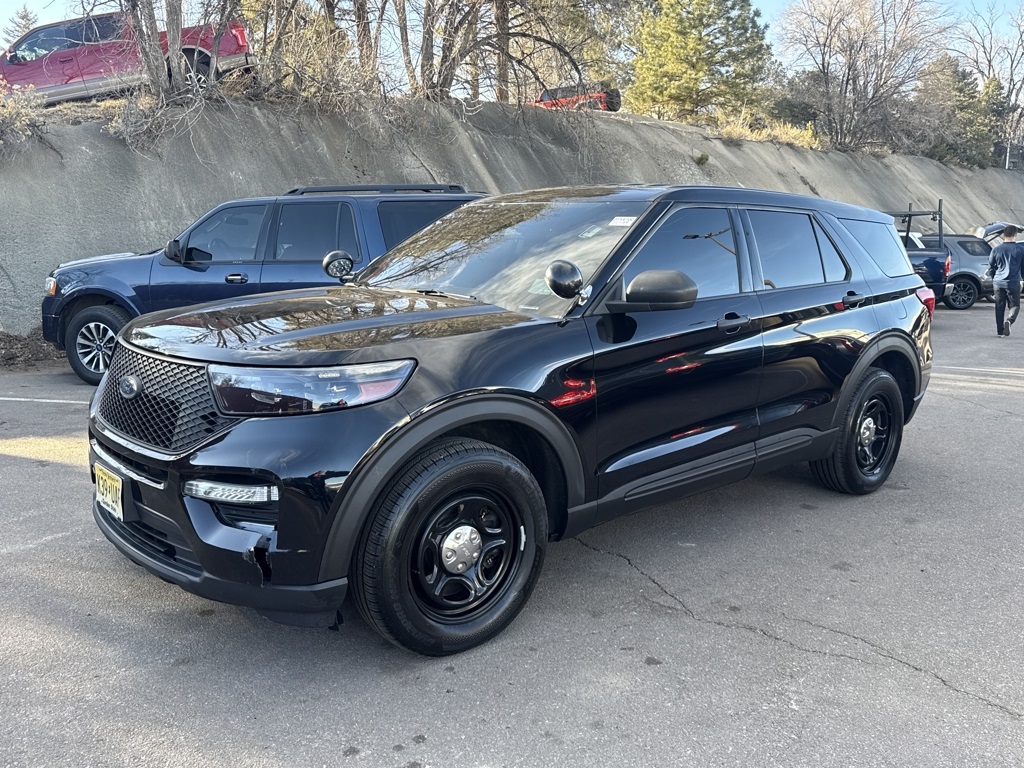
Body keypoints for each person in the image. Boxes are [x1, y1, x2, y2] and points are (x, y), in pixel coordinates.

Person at [986, 224, 1024, 337]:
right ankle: (1009, 320)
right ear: (1015, 235)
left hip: (998, 282)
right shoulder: (1020, 249)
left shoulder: (996, 249)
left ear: (1003, 235)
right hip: (1013, 281)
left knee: (999, 306)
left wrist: (994, 278)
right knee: (1015, 305)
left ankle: (1000, 331)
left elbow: (991, 267)